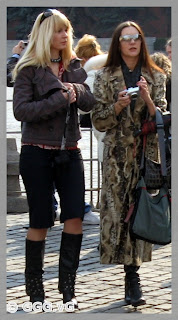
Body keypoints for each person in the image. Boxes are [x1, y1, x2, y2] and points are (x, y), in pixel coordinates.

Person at [12, 8, 95, 310]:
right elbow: (21, 111)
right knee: (40, 221)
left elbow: (89, 99)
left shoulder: (73, 65)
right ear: (46, 33)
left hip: (70, 153)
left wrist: (76, 90)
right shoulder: (28, 69)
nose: (64, 35)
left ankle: (68, 290)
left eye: (66, 30)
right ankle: (35, 291)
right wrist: (59, 99)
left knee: (74, 217)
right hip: (36, 153)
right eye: (59, 30)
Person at [92, 21, 167, 307]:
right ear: (118, 43)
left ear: (142, 41)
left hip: (145, 155)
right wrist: (118, 106)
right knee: (118, 212)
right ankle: (126, 270)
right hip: (116, 156)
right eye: (126, 39)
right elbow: (97, 119)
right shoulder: (105, 75)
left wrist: (147, 99)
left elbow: (161, 117)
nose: (132, 43)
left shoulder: (156, 75)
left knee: (142, 212)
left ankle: (133, 276)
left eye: (136, 38)